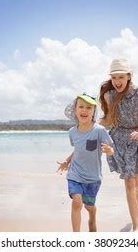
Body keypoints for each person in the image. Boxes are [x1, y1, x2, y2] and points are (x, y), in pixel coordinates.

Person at [99, 58, 138, 232]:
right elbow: (109, 119)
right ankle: (137, 225)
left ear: (129, 77)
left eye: (121, 77)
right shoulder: (109, 96)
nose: (117, 82)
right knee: (129, 182)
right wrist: (92, 127)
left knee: (137, 176)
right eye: (114, 78)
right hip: (119, 139)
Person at [57, 93, 114, 232]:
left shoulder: (99, 130)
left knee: (88, 206)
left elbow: (111, 149)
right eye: (81, 107)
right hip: (75, 174)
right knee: (77, 203)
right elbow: (78, 149)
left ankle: (92, 215)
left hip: (93, 177)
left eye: (88, 108)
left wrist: (108, 150)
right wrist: (67, 161)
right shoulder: (72, 132)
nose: (84, 110)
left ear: (94, 111)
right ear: (75, 110)